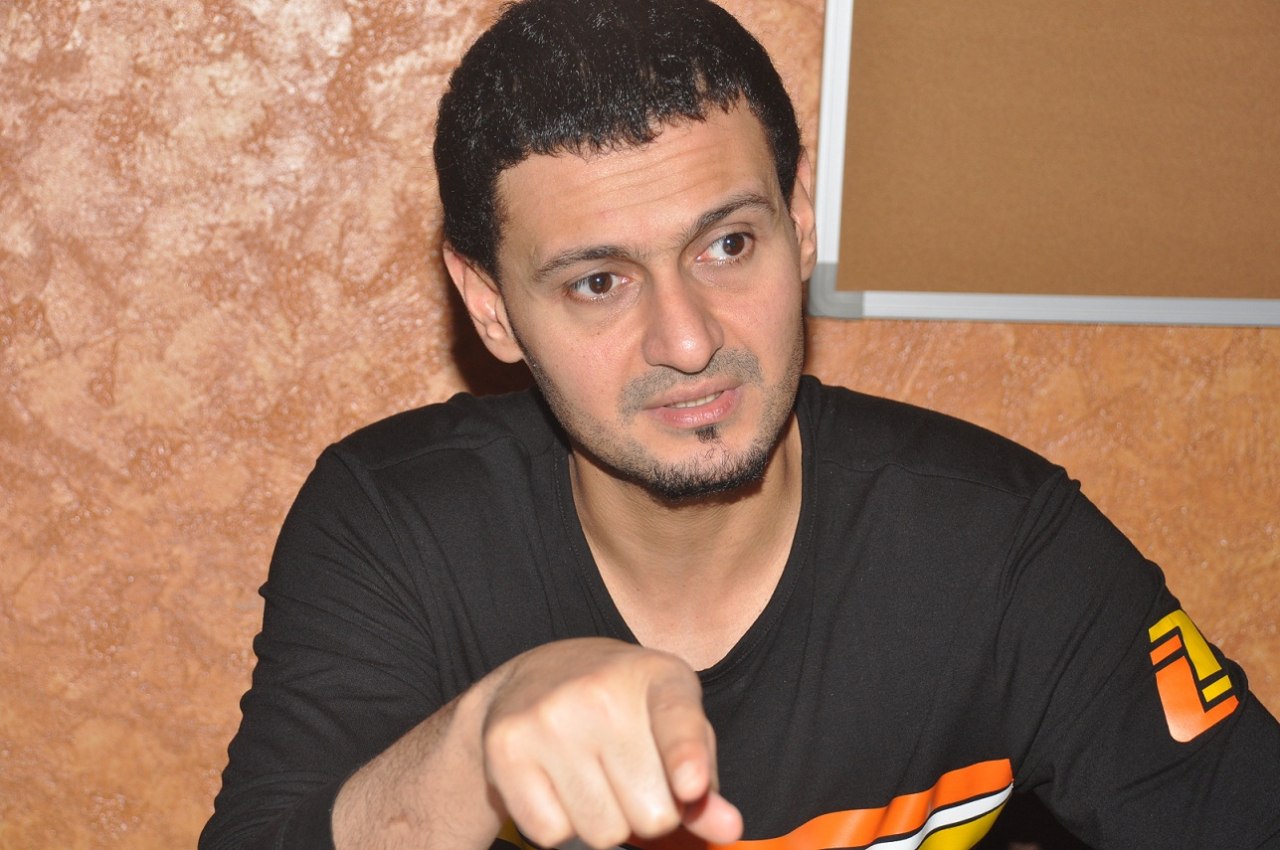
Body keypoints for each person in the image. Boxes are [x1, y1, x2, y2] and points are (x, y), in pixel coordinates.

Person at [200, 1, 1280, 848]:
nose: (686, 340)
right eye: (596, 283)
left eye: (726, 246)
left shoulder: (999, 550)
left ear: (798, 220)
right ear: (489, 305)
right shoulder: (396, 527)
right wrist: (474, 746)